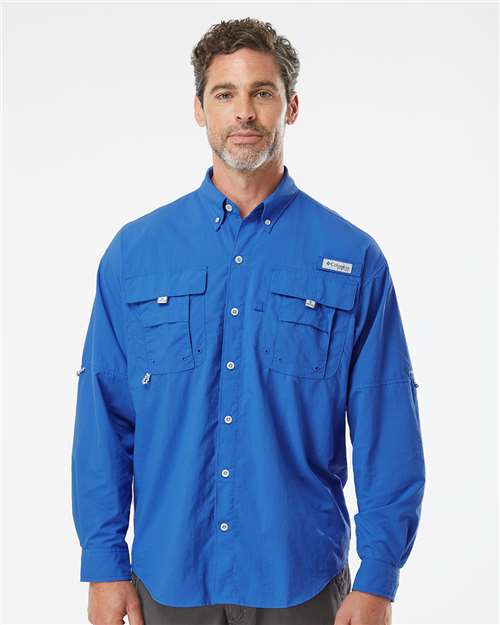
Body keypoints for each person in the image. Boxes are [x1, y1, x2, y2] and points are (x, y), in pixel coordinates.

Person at [71, 16, 426, 625]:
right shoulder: (135, 254)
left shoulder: (354, 258)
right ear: (199, 109)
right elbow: (104, 416)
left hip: (301, 580)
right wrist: (103, 563)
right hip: (168, 580)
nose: (244, 112)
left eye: (262, 92)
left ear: (291, 106)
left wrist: (380, 577)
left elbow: (386, 426)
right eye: (224, 94)